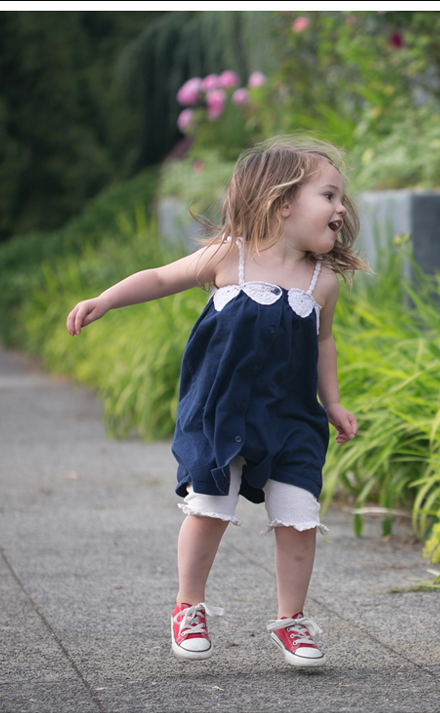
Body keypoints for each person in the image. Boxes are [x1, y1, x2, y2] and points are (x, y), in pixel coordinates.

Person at [67, 135, 370, 668]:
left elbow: (324, 343)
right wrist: (106, 299)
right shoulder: (230, 256)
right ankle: (189, 606)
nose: (341, 208)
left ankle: (291, 620)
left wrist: (333, 402)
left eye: (340, 198)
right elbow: (161, 277)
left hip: (293, 419)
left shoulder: (323, 281)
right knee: (209, 509)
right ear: (281, 203)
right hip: (221, 410)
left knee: (299, 519)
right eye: (328, 196)